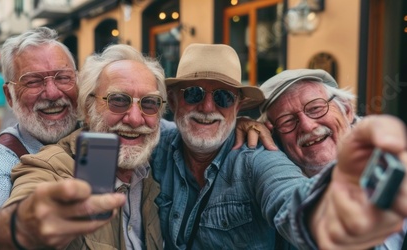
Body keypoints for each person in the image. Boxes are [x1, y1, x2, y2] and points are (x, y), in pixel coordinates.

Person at [150, 43, 407, 249]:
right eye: (193, 93)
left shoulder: (257, 160)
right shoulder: (159, 144)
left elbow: (292, 201)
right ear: (172, 101)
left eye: (223, 97)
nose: (207, 108)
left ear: (237, 107)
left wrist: (338, 215)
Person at [0, 27, 113, 249]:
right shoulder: (4, 156)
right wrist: (14, 227)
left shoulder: (99, 129)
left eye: (63, 78)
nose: (53, 93)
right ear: (9, 95)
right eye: (33, 81)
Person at [3, 43, 167, 249]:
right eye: (117, 100)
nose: (135, 119)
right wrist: (30, 225)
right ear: (88, 109)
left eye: (149, 103)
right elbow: (23, 214)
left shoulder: (152, 167)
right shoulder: (53, 168)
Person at [257, 68, 406, 249]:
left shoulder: (392, 161)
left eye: (316, 108)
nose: (307, 126)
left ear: (348, 110)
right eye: (287, 120)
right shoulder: (273, 173)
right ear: (275, 137)